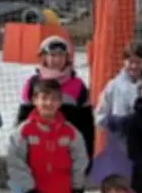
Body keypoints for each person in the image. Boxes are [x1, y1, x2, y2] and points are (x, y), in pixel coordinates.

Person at [7, 79, 89, 193]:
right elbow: (16, 161)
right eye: (44, 98)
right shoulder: (25, 131)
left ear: (60, 102)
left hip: (63, 192)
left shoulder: (70, 132)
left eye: (54, 99)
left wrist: (77, 189)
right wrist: (29, 190)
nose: (48, 103)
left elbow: (80, 161)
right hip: (38, 190)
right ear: (35, 100)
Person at [16, 35, 94, 175]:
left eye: (60, 56)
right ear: (43, 57)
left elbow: (87, 125)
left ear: (68, 58)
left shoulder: (77, 85)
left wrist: (87, 156)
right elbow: (22, 121)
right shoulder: (33, 84)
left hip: (67, 153)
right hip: (37, 154)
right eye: (51, 55)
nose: (55, 60)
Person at [93, 42, 142, 184]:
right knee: (120, 184)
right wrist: (113, 122)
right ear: (124, 62)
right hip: (119, 144)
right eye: (130, 62)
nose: (134, 66)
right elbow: (99, 114)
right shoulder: (114, 86)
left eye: (138, 62)